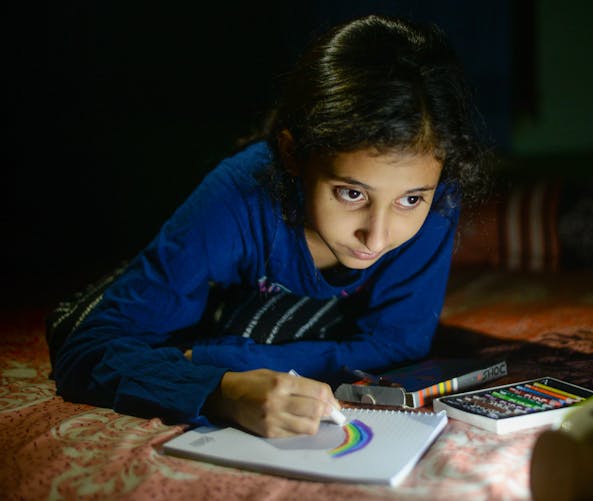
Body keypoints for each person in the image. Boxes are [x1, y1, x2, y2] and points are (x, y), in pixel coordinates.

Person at [49, 14, 484, 438]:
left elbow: (400, 343)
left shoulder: (437, 198)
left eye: (410, 200)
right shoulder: (235, 196)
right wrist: (220, 391)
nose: (378, 236)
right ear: (294, 155)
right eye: (351, 194)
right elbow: (90, 349)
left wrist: (217, 357)